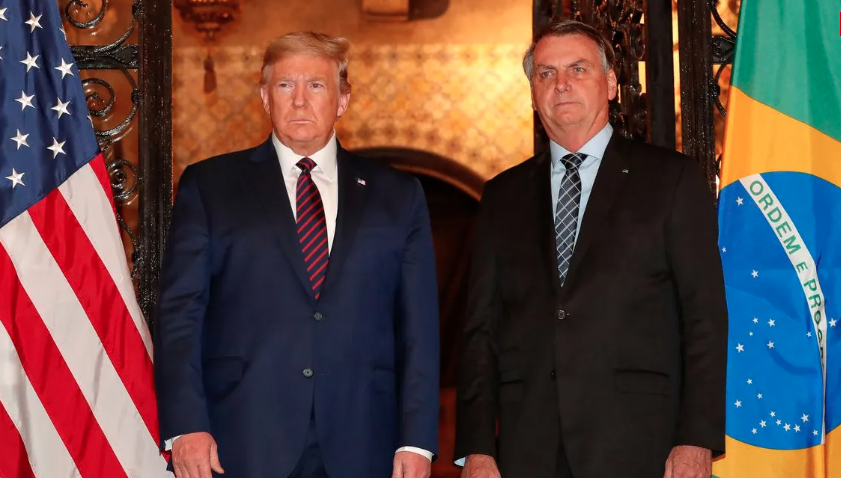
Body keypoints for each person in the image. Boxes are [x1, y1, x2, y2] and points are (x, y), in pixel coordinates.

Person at [154, 31, 440, 478]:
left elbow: (419, 327)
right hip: (241, 437)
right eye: (286, 85)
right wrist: (186, 425)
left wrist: (417, 439)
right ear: (265, 98)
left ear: (343, 100)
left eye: (317, 85)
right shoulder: (210, 186)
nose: (300, 100)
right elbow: (180, 316)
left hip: (366, 440)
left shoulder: (398, 195)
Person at [454, 20, 727, 478]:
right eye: (546, 73)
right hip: (529, 448)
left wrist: (696, 438)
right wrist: (477, 449)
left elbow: (704, 318)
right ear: (533, 93)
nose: (561, 83)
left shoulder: (671, 180)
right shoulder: (502, 195)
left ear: (612, 84)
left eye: (578, 69)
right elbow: (480, 331)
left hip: (641, 445)